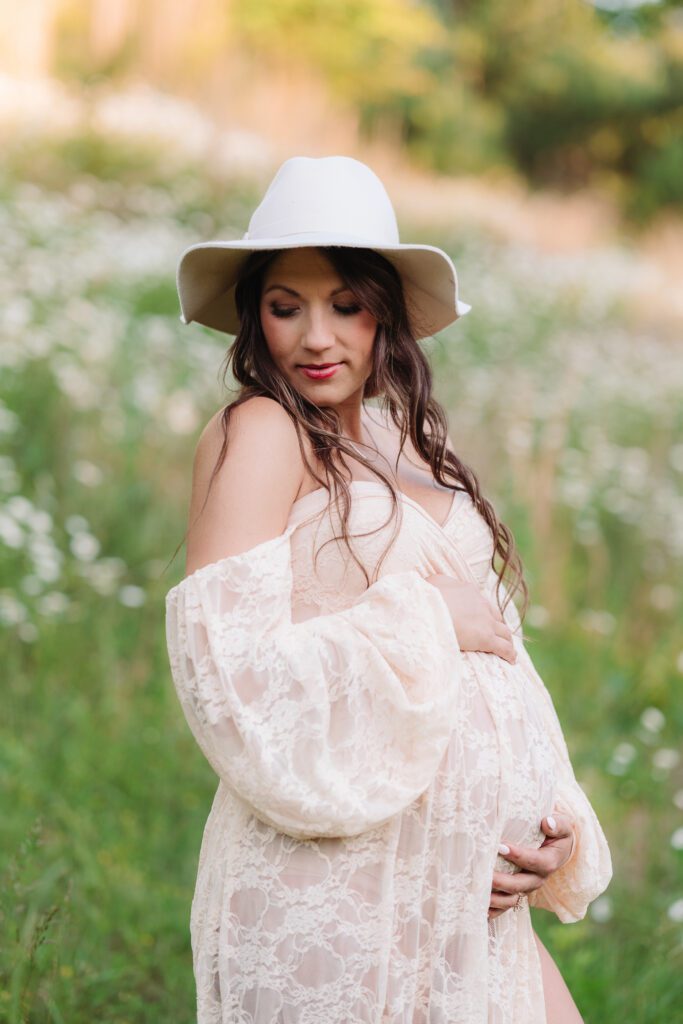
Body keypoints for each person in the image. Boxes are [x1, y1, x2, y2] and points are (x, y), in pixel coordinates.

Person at [164, 155, 612, 1024]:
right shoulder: (262, 430)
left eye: (346, 304)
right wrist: (421, 614)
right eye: (283, 307)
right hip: (337, 886)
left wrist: (545, 808)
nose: (314, 338)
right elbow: (226, 676)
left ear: (388, 314)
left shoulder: (406, 438)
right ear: (255, 317)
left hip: (463, 895)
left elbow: (493, 646)